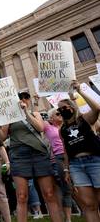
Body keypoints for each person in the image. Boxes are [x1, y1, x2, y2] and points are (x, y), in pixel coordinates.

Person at [0, 91, 62, 222]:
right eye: (21, 98)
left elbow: (40, 127)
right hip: (19, 156)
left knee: (49, 193)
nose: (24, 99)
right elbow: (1, 138)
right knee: (21, 196)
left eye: (27, 97)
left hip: (39, 154)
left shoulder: (35, 114)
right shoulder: (10, 118)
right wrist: (0, 121)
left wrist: (26, 112)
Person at [58, 80, 100, 222]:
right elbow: (65, 150)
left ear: (71, 107)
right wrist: (66, 170)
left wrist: (80, 91)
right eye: (59, 110)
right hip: (76, 166)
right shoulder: (62, 129)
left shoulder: (84, 120)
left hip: (95, 161)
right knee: (89, 205)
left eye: (63, 107)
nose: (61, 111)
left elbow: (97, 108)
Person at [44, 108, 72, 222]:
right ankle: (66, 218)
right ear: (51, 118)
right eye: (57, 113)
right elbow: (35, 117)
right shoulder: (48, 127)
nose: (60, 115)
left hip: (71, 156)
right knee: (65, 187)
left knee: (73, 187)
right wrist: (35, 103)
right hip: (58, 158)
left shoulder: (67, 126)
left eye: (60, 113)